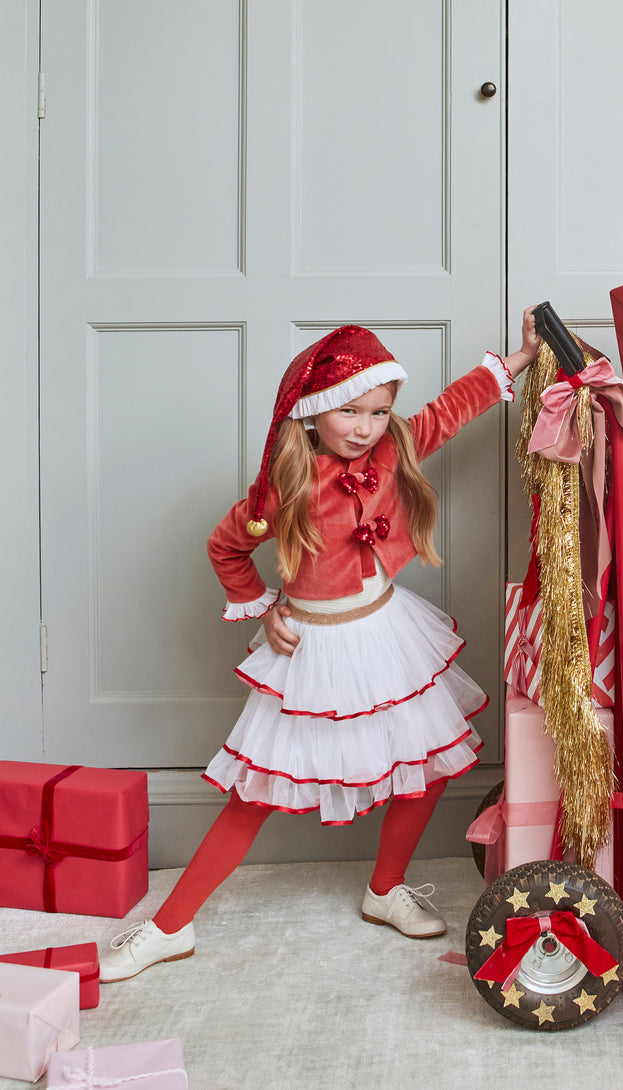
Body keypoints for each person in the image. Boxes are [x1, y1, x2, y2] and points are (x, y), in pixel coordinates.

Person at [100, 313, 541, 981]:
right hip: (315, 649)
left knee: (430, 762)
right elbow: (225, 546)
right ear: (312, 411)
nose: (364, 428)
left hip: (387, 634)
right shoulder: (285, 484)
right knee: (255, 793)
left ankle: (385, 889)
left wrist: (521, 357)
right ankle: (169, 928)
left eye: (378, 411)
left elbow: (452, 409)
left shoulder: (395, 449)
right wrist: (262, 605)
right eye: (348, 411)